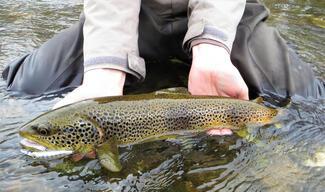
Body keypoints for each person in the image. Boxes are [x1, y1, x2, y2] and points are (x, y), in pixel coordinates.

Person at [2, 1, 324, 134]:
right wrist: (105, 69)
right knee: (20, 84)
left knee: (309, 99)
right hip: (134, 19)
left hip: (227, 19)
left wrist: (212, 45)